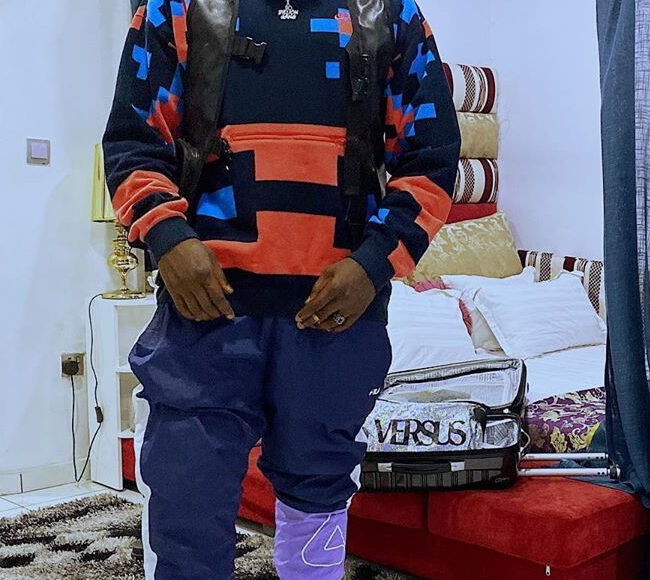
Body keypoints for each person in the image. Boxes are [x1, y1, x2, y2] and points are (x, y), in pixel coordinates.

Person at [102, 0, 460, 577]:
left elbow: (432, 159)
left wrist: (374, 263)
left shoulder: (388, 11)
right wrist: (167, 238)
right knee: (186, 502)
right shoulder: (177, 6)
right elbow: (131, 141)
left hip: (337, 320)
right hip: (206, 315)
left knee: (319, 500)